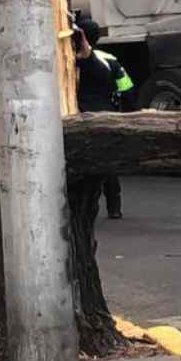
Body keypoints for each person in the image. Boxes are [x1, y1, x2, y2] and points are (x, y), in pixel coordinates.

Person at [73, 17, 134, 218]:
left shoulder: (70, 60)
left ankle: (84, 210)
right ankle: (114, 208)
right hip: (107, 114)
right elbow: (126, 90)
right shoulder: (109, 60)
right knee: (108, 165)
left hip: (80, 116)